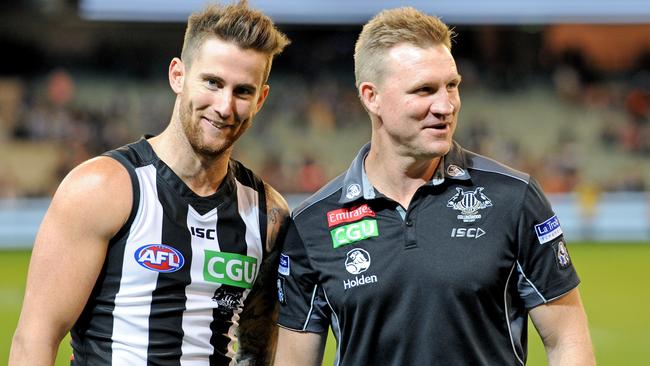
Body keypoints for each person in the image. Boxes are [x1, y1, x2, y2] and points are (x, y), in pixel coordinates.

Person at [274, 7, 595, 366]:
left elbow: (567, 340)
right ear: (371, 96)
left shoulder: (514, 198)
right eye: (424, 90)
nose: (445, 105)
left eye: (452, 86)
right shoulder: (311, 225)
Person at [10, 1, 290, 365]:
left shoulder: (268, 214)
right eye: (212, 82)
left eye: (243, 91)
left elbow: (258, 350)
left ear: (261, 99)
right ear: (178, 75)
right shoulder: (102, 188)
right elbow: (35, 339)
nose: (225, 106)